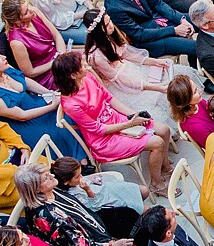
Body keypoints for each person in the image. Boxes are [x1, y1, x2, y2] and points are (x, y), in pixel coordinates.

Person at [14, 163, 147, 246]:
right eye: (46, 177)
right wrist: (113, 245)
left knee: (127, 215)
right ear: (37, 189)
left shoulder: (53, 190)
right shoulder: (48, 217)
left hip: (92, 226)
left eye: (49, 173)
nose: (52, 176)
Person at [55, 51, 172, 189]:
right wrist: (129, 124)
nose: (87, 65)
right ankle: (157, 184)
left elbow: (109, 98)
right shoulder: (70, 104)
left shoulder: (88, 77)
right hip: (104, 140)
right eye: (82, 64)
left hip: (117, 119)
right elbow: (99, 130)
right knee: (157, 143)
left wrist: (133, 114)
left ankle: (164, 166)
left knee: (164, 130)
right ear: (73, 75)